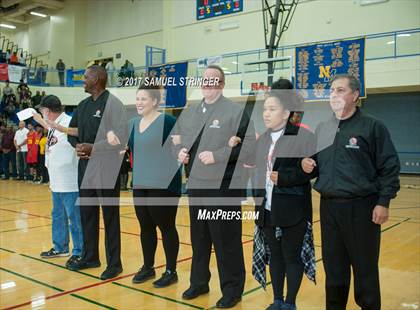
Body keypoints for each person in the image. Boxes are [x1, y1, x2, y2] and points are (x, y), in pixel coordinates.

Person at [301, 74, 400, 310]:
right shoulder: (323, 127)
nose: (334, 95)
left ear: (355, 95)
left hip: (362, 208)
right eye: (332, 90)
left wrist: (383, 201)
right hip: (329, 208)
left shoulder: (372, 126)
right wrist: (306, 164)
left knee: (364, 269)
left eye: (340, 90)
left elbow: (389, 166)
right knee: (334, 268)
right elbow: (315, 163)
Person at [173, 65, 255, 308]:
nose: (207, 83)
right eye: (204, 79)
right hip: (196, 185)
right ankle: (199, 282)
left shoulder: (235, 111)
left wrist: (218, 155)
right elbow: (176, 140)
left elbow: (248, 145)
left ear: (221, 84)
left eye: (213, 80)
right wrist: (180, 153)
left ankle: (232, 289)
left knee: (226, 240)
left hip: (224, 188)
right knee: (199, 238)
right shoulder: (190, 112)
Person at [237, 88, 316, 310]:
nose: (266, 113)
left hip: (293, 210)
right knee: (276, 257)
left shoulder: (304, 136)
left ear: (285, 113)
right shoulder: (262, 140)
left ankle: (290, 302)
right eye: (264, 109)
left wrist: (286, 178)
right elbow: (253, 170)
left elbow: (313, 170)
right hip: (267, 209)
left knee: (292, 257)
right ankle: (277, 299)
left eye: (272, 109)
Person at [110, 82, 182, 287]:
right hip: (140, 183)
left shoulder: (167, 121)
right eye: (138, 98)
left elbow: (182, 144)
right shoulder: (132, 123)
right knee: (146, 226)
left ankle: (171, 270)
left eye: (144, 99)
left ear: (155, 101)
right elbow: (124, 146)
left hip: (164, 184)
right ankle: (148, 267)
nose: (139, 102)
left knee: (166, 226)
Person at [63, 65, 127, 280]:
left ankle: (115, 263)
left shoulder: (114, 104)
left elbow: (120, 138)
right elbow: (72, 133)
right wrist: (78, 146)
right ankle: (90, 257)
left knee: (110, 217)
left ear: (98, 78)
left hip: (107, 168)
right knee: (87, 214)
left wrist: (95, 148)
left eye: (86, 77)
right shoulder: (81, 106)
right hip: (85, 168)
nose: (83, 80)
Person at [32, 95, 84, 264]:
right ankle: (60, 247)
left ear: (48, 110)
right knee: (58, 216)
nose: (42, 112)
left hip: (70, 181)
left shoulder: (68, 122)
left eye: (42, 110)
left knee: (74, 218)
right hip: (56, 181)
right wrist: (38, 118)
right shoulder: (54, 124)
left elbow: (77, 136)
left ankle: (79, 250)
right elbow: (50, 125)